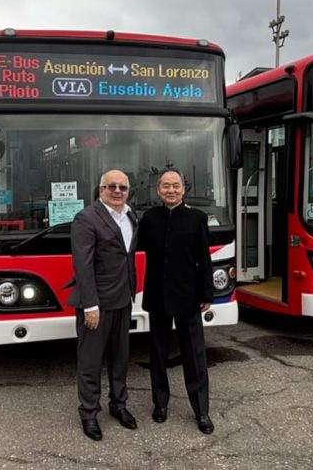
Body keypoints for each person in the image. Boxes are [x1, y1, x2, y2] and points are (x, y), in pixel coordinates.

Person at [138, 169, 215, 435]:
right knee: (158, 353)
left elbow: (204, 258)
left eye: (176, 185)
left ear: (184, 188)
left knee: (194, 355)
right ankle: (160, 404)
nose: (171, 190)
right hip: (157, 296)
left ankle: (201, 410)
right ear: (158, 190)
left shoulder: (197, 218)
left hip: (188, 296)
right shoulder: (149, 218)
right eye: (166, 186)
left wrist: (207, 293)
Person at [67, 169, 138, 441]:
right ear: (101, 190)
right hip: (96, 304)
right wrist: (90, 305)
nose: (117, 191)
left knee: (120, 358)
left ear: (128, 191)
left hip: (123, 299)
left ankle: (118, 404)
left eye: (122, 187)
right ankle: (89, 413)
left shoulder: (130, 215)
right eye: (111, 187)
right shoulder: (86, 218)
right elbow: (82, 265)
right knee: (91, 361)